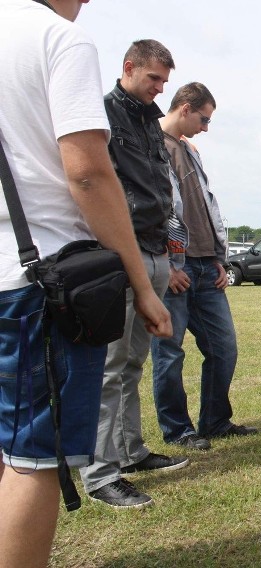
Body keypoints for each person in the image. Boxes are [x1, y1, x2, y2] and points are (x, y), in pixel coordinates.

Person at [0, 2, 171, 565]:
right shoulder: (57, 39)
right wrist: (140, 285)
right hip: (36, 279)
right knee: (34, 458)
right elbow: (89, 172)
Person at [80, 39, 187, 510]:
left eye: (165, 81)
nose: (160, 89)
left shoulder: (148, 118)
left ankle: (130, 451)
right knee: (108, 369)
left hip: (153, 248)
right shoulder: (101, 113)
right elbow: (94, 181)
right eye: (154, 79)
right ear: (128, 68)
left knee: (131, 364)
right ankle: (101, 473)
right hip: (119, 254)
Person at [151, 82, 257, 454]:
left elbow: (204, 208)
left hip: (205, 266)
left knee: (224, 347)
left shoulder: (190, 151)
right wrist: (165, 265)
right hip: (174, 271)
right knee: (169, 352)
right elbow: (148, 211)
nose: (206, 127)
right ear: (184, 108)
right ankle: (177, 429)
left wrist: (218, 258)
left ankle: (215, 420)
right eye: (204, 118)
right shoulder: (149, 145)